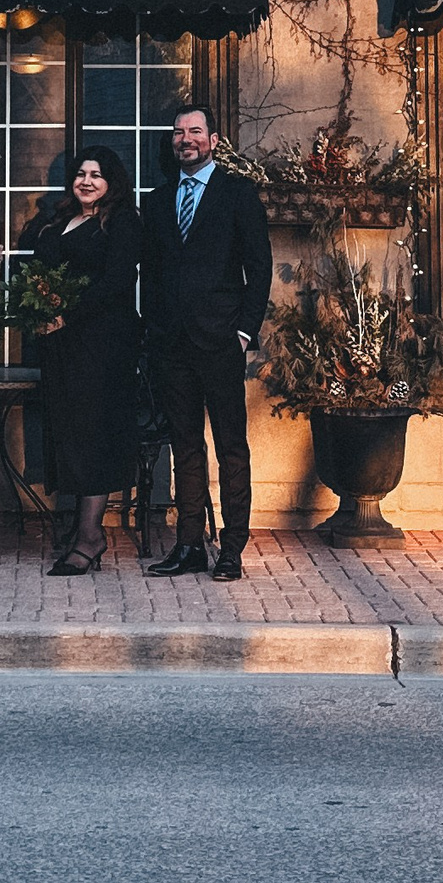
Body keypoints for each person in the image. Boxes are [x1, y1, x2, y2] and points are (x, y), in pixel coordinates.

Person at [141, 99, 273, 581]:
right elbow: (151, 273)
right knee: (185, 447)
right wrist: (153, 328)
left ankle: (232, 548)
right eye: (179, 133)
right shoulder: (157, 200)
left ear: (213, 141)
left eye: (195, 132)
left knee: (231, 446)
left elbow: (259, 268)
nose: (187, 140)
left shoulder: (238, 194)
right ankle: (189, 545)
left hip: (221, 342)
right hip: (172, 345)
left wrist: (243, 332)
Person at [31, 141, 142, 574]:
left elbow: (117, 281)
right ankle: (80, 527)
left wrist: (66, 313)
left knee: (95, 436)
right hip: (61, 346)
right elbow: (41, 276)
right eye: (81, 174)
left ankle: (90, 537)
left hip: (103, 345)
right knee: (71, 434)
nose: (87, 181)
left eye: (96, 175)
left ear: (111, 181)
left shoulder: (123, 221)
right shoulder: (59, 220)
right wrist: (41, 310)